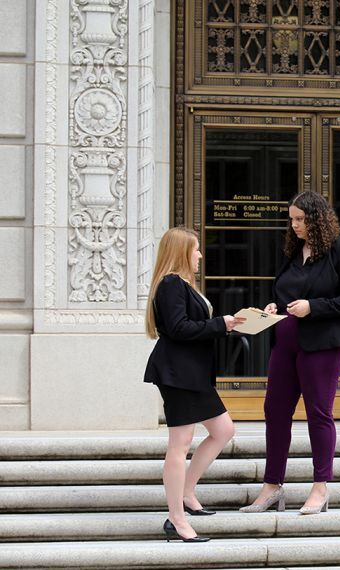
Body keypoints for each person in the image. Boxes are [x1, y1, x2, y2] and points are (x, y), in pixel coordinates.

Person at [241, 191, 340, 515]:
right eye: (291, 219)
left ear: (316, 219)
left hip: (323, 344)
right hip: (285, 343)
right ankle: (272, 486)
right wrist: (273, 308)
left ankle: (321, 487)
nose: (294, 225)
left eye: (300, 219)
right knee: (274, 410)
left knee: (318, 412)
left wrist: (314, 307)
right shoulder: (293, 252)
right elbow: (284, 295)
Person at [144, 227, 244, 543]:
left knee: (223, 430)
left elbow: (193, 327)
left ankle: (187, 492)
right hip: (178, 374)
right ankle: (176, 518)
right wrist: (221, 324)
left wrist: (229, 325)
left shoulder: (183, 285)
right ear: (182, 252)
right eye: (196, 249)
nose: (200, 255)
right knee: (180, 444)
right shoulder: (171, 284)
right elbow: (179, 328)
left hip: (191, 374)